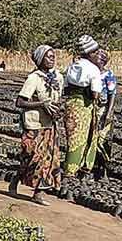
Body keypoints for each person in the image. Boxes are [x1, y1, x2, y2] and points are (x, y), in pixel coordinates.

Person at [13, 44, 64, 204]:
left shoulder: (59, 77)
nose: (52, 58)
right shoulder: (34, 78)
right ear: (40, 59)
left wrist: (58, 110)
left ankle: (39, 192)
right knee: (31, 157)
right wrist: (41, 104)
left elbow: (58, 99)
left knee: (47, 159)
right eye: (48, 56)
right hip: (34, 124)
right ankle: (17, 177)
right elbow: (20, 102)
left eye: (53, 56)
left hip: (49, 124)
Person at [62, 35, 105, 180]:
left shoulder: (71, 66)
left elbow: (66, 90)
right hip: (85, 107)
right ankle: (79, 169)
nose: (98, 55)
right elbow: (95, 94)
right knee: (85, 138)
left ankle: (70, 169)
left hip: (71, 105)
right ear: (90, 53)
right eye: (96, 52)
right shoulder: (93, 70)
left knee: (72, 139)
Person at [92, 50, 120, 178]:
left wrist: (109, 113)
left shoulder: (109, 74)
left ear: (102, 61)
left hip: (103, 110)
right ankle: (91, 167)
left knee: (103, 140)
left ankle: (103, 170)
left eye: (97, 57)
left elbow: (112, 94)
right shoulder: (90, 72)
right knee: (91, 139)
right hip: (91, 109)